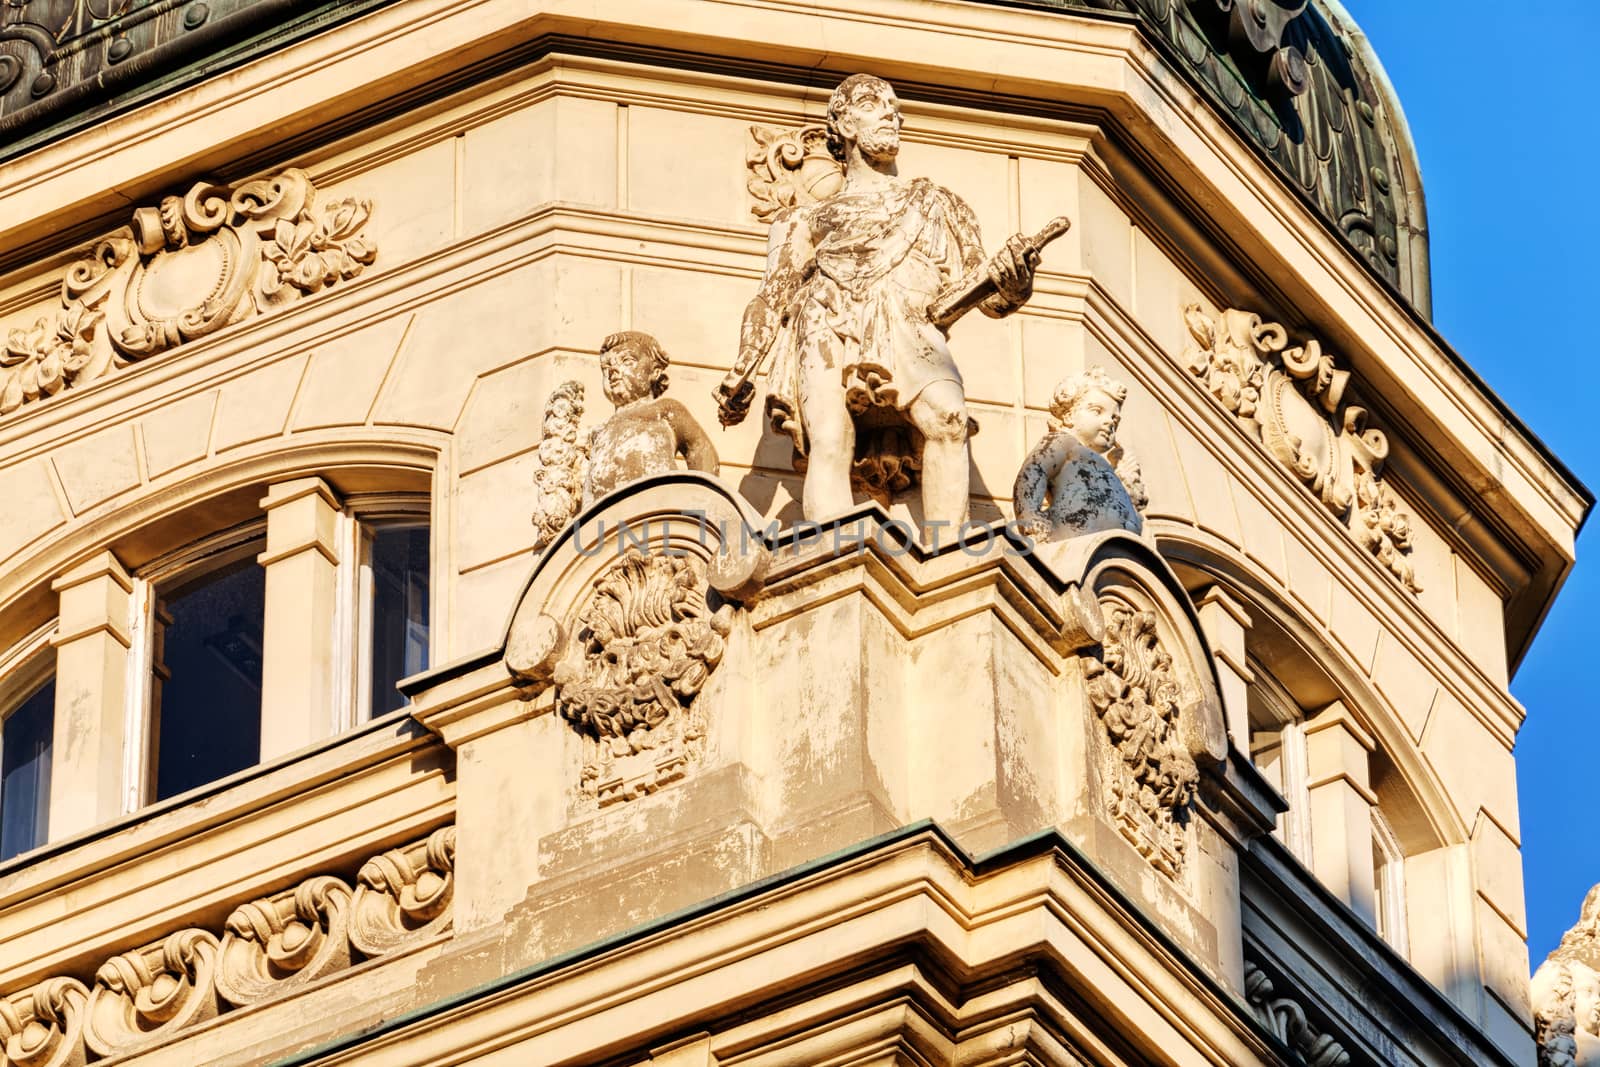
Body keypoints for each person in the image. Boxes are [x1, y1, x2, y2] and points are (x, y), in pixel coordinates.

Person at [715, 73, 1039, 531]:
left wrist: (1015, 283)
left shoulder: (938, 203)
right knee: (830, 441)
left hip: (908, 319)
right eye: (872, 103)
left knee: (948, 419)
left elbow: (983, 296)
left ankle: (948, 554)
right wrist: (743, 369)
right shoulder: (803, 219)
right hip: (827, 317)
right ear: (843, 124)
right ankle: (832, 556)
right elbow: (772, 295)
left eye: (893, 105)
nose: (891, 112)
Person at [1013, 366, 1147, 541]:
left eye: (1115, 419)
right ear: (1069, 415)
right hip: (1072, 540)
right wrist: (1030, 516)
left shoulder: (1107, 469)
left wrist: (1128, 485)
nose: (1109, 422)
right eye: (1097, 411)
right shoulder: (1064, 442)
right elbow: (1034, 471)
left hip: (1117, 552)